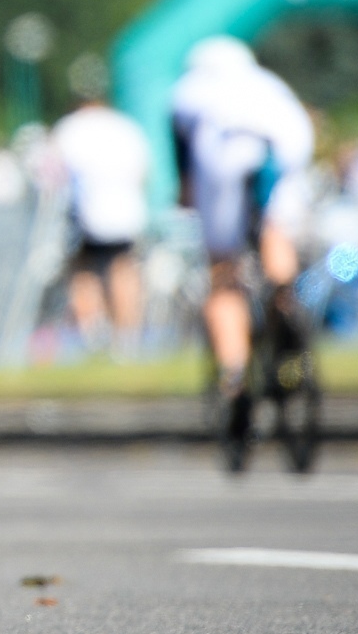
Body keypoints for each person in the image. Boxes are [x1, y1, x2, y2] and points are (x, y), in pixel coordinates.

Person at [169, 36, 314, 429]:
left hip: (223, 149)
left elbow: (184, 164)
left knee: (223, 269)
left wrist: (186, 197)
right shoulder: (269, 83)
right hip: (284, 140)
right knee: (275, 227)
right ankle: (284, 300)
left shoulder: (191, 90)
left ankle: (233, 374)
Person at [50, 54, 151, 353]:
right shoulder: (126, 127)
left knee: (84, 272)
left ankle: (91, 334)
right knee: (123, 269)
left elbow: (52, 174)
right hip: (126, 212)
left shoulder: (69, 128)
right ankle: (127, 338)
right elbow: (143, 171)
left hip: (86, 213)